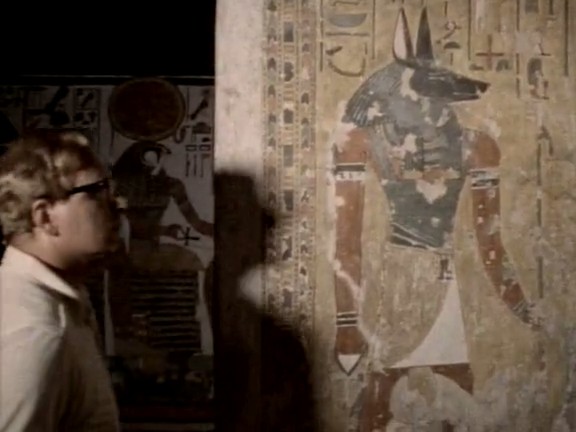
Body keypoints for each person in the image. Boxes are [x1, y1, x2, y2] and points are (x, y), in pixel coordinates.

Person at [0, 130, 124, 431]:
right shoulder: (39, 333)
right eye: (96, 192)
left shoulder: (57, 302)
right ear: (45, 217)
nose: (119, 203)